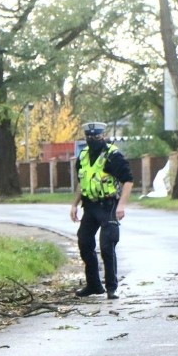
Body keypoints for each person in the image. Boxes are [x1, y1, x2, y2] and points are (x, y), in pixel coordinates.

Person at [70, 122, 134, 300]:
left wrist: (121, 205)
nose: (92, 140)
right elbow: (82, 183)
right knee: (84, 242)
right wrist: (74, 205)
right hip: (90, 206)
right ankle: (93, 285)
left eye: (96, 137)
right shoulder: (82, 156)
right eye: (89, 137)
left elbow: (128, 180)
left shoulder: (113, 155)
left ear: (103, 136)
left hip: (109, 205)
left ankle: (111, 288)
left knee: (107, 245)